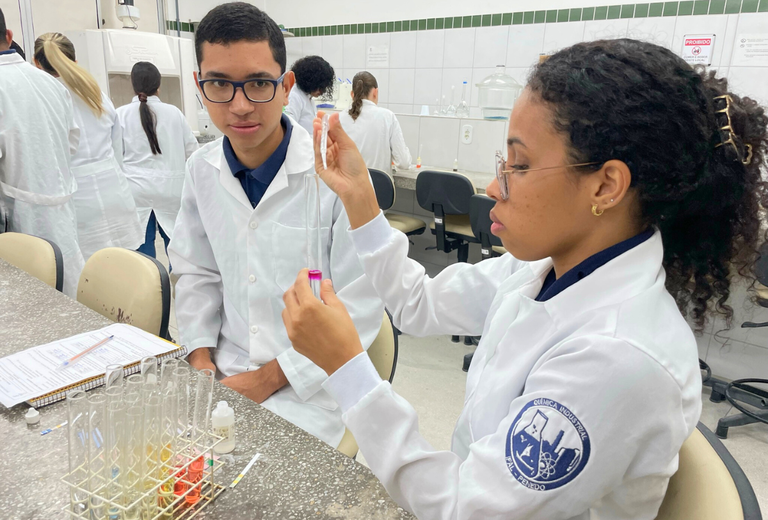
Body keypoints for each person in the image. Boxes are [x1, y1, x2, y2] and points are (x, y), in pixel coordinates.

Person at [282, 39, 768, 519]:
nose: (495, 186)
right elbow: (418, 303)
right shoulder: (545, 267)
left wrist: (347, 368)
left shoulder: (619, 356)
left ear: (606, 185)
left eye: (520, 164)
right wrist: (361, 201)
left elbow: (464, 509)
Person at [168, 2, 382, 448]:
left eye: (259, 84)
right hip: (218, 376)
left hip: (308, 393)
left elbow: (360, 307)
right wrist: (201, 360)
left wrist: (265, 380)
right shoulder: (200, 170)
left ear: (286, 87)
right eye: (220, 85)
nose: (241, 105)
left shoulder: (332, 177)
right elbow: (195, 272)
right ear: (199, 87)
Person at [34, 33, 143, 260]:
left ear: (36, 64)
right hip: (115, 190)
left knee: (87, 278)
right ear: (75, 61)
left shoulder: (44, 99)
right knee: (124, 270)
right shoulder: (96, 92)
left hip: (78, 201)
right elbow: (117, 146)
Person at [0, 8, 84, 296]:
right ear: (9, 36)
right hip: (61, 210)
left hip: (18, 223)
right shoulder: (50, 83)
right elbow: (71, 143)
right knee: (68, 297)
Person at [116, 62, 198, 263]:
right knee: (178, 248)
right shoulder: (174, 113)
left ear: (133, 86)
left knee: (142, 252)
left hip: (135, 191)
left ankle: (150, 291)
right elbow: (193, 152)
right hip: (171, 190)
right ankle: (179, 290)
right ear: (158, 86)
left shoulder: (120, 114)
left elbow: (115, 157)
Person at [339, 71, 411, 172]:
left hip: (348, 186)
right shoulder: (388, 117)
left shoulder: (339, 118)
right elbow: (404, 163)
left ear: (352, 94)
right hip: (378, 187)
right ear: (375, 92)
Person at [284, 55, 335, 135]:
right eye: (319, 86)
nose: (322, 91)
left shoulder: (307, 97)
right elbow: (289, 128)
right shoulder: (294, 96)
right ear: (310, 81)